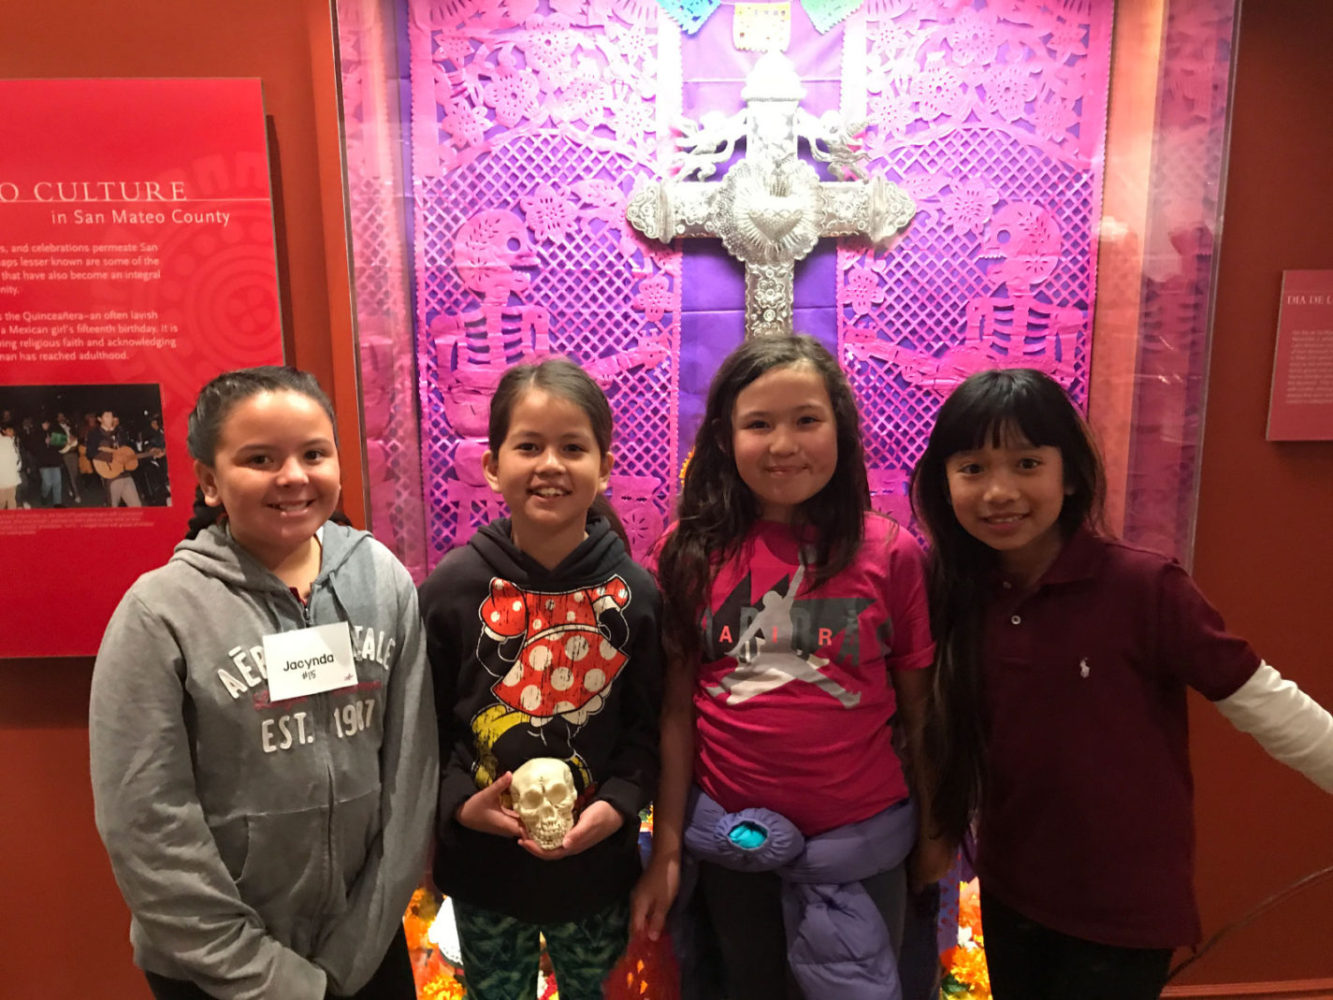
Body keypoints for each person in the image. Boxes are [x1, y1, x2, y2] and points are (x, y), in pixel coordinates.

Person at [909, 367, 1333, 1000]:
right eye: (972, 468)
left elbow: (1264, 702)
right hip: (1011, 889)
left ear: (1070, 474)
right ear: (944, 485)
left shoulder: (1143, 587)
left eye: (1026, 464)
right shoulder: (953, 592)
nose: (999, 491)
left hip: (1123, 908)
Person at [90, 366, 438, 1000]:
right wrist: (270, 977)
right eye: (259, 458)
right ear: (210, 480)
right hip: (215, 969)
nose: (293, 477)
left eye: (314, 453)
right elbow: (148, 824)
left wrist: (356, 950)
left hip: (362, 953)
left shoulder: (382, 580)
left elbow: (412, 774)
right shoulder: (159, 613)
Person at [634, 334, 940, 1000]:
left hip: (863, 848)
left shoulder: (891, 555)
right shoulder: (686, 554)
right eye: (758, 424)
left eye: (806, 419)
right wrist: (666, 848)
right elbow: (676, 714)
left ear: (840, 426)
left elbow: (920, 711)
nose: (782, 445)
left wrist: (937, 833)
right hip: (732, 846)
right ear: (722, 437)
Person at [419, 357, 663, 1000]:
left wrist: (616, 806)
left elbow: (647, 730)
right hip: (483, 874)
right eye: (528, 446)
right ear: (493, 464)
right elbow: (423, 730)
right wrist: (458, 807)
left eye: (573, 447)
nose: (550, 464)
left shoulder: (635, 596)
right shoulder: (450, 591)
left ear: (605, 466)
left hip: (597, 876)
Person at [86, 409, 143, 507]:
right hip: (110, 475)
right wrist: (112, 456)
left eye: (111, 416)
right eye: (107, 416)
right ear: (100, 419)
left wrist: (150, 452)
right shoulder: (94, 434)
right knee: (113, 506)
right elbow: (90, 453)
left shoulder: (119, 432)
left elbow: (129, 450)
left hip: (125, 473)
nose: (110, 419)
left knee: (136, 505)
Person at [0, 423, 20, 509]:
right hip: (5, 478)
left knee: (10, 500)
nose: (11, 432)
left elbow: (16, 458)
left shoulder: (10, 441)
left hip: (10, 477)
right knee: (4, 501)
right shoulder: (7, 441)